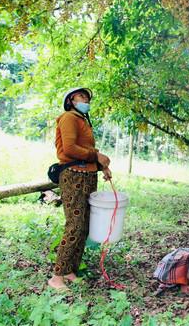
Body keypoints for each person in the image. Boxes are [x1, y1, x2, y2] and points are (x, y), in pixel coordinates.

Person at [47, 87, 112, 290]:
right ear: (71, 100)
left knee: (84, 226)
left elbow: (86, 152)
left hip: (87, 176)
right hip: (73, 176)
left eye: (87, 97)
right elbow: (70, 149)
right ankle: (57, 277)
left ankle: (69, 270)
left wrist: (103, 166)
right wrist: (96, 156)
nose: (86, 99)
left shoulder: (82, 120)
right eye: (81, 96)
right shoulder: (68, 117)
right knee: (74, 225)